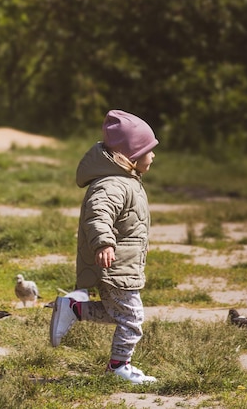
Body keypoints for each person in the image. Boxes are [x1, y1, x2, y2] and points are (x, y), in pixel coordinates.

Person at [50, 109, 159, 384]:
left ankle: (74, 309)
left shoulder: (126, 180)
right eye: (149, 149)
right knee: (132, 318)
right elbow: (98, 213)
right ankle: (119, 366)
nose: (154, 155)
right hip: (115, 265)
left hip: (122, 264)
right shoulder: (113, 184)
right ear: (131, 155)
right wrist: (104, 242)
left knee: (116, 313)